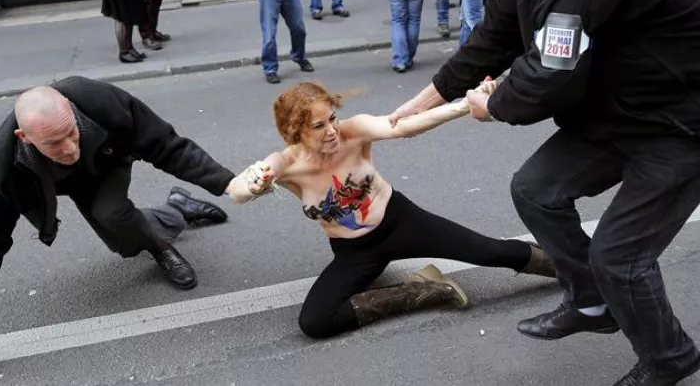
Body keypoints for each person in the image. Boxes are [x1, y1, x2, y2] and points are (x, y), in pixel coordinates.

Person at [388, 0, 700, 384]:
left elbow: (551, 70)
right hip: (629, 108)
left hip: (692, 122)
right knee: (536, 190)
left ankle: (669, 357)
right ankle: (592, 302)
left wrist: (492, 105)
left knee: (619, 256)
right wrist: (425, 101)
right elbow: (498, 31)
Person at [0, 76, 234, 386]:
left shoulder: (100, 101)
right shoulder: (2, 162)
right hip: (59, 180)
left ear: (71, 108)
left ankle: (162, 244)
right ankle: (178, 206)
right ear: (25, 137)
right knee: (123, 240)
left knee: (114, 217)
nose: (69, 148)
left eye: (71, 132)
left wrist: (226, 182)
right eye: (54, 142)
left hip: (104, 163)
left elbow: (166, 146)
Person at [225, 81, 555, 340]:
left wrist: (463, 107)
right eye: (318, 126)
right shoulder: (286, 164)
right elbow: (236, 191)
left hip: (402, 223)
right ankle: (425, 289)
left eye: (332, 118)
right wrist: (253, 183)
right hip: (355, 252)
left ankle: (570, 267)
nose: (332, 131)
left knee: (490, 251)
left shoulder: (352, 131)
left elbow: (403, 126)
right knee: (314, 322)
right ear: (295, 131)